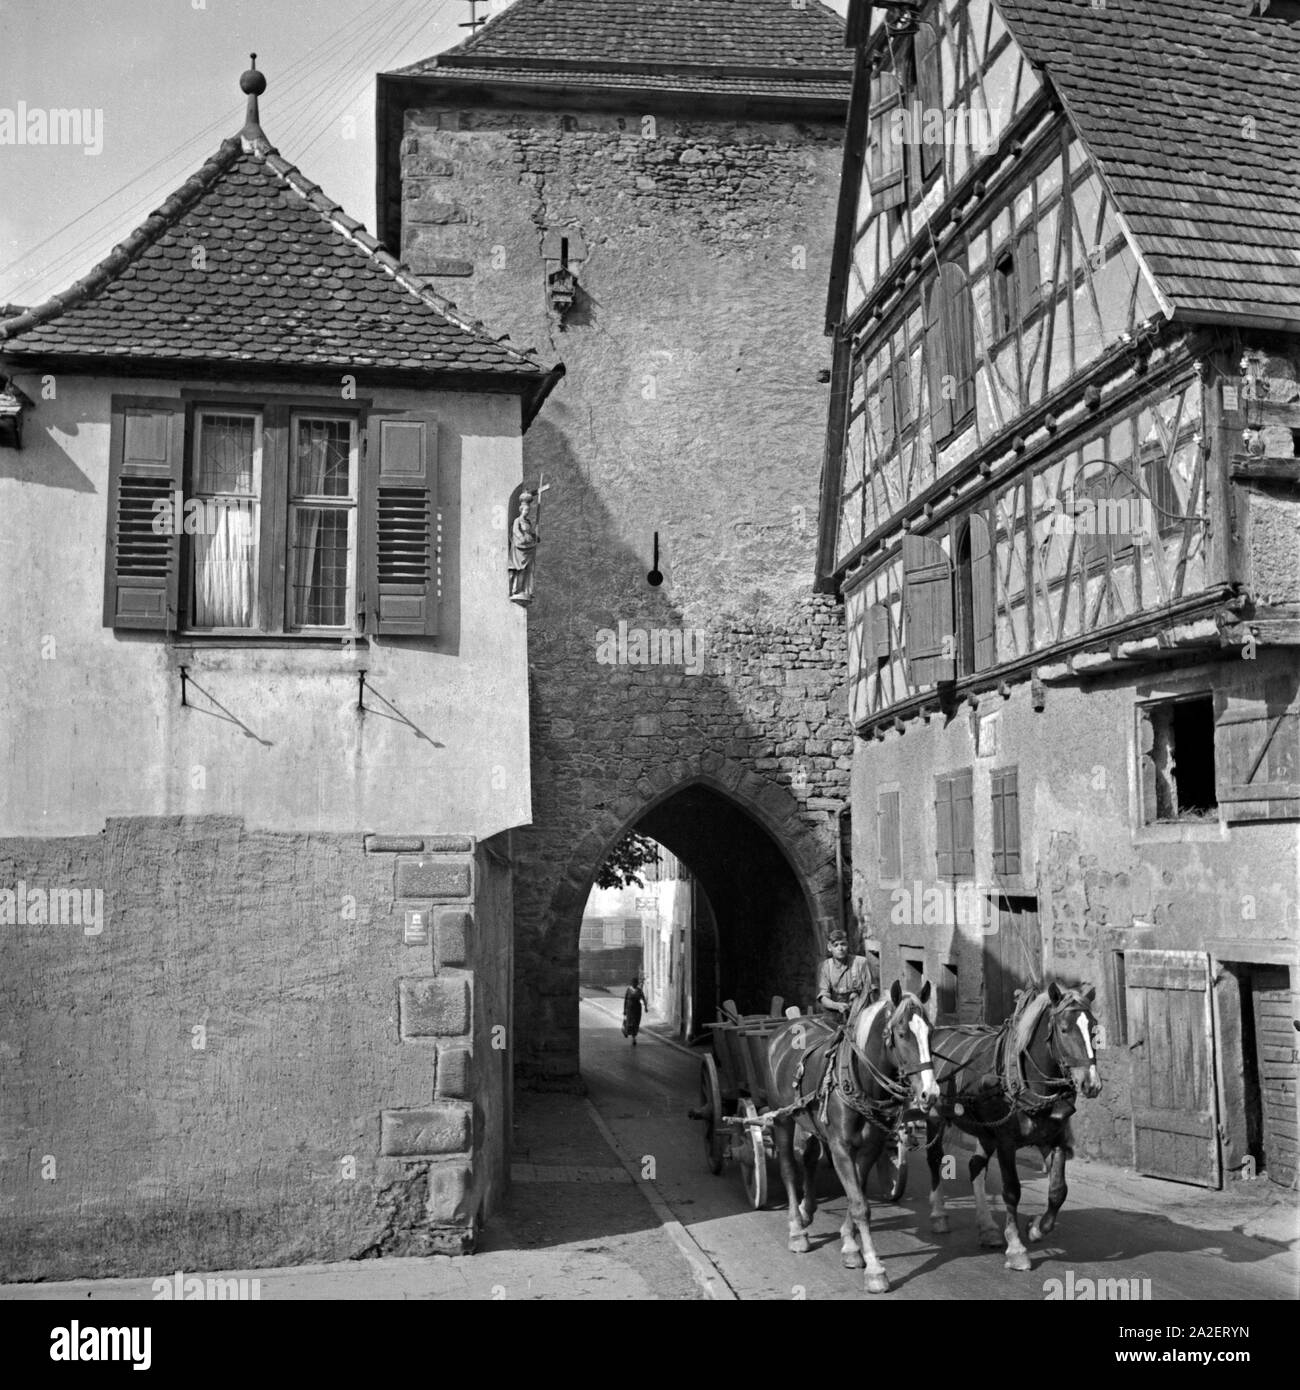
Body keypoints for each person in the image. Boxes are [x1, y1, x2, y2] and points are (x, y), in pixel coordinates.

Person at [816, 930, 874, 1020]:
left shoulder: (861, 963)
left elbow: (871, 993)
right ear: (829, 947)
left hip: (859, 1013)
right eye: (836, 945)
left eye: (843, 944)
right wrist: (837, 1006)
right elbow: (823, 997)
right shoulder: (825, 967)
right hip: (834, 1014)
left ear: (848, 945)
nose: (840, 948)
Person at [622, 976, 647, 1045]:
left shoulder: (639, 990)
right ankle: (626, 1031)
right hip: (629, 1008)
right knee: (629, 1022)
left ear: (637, 983)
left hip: (637, 1009)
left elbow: (643, 998)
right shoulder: (629, 990)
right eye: (633, 983)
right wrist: (624, 1010)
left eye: (636, 983)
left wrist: (646, 1007)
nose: (634, 984)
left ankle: (634, 1038)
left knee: (635, 1023)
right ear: (631, 983)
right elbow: (626, 1000)